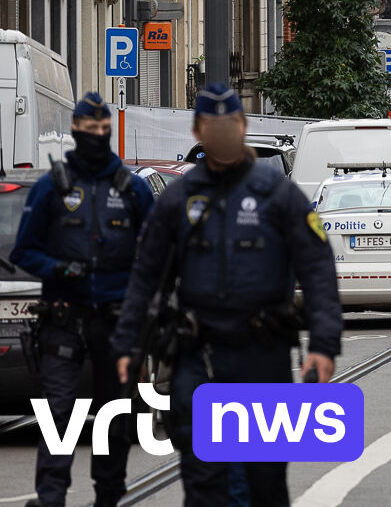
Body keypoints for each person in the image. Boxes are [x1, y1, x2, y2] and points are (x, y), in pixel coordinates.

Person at [110, 84, 343, 507]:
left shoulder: (277, 195)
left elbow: (318, 269)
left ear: (242, 126)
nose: (221, 132)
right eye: (212, 125)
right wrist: (127, 344)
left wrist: (324, 345)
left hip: (262, 356)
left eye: (229, 124)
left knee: (263, 484)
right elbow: (145, 276)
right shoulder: (178, 199)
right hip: (198, 357)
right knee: (205, 484)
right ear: (199, 129)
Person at [10, 92, 156, 507]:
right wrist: (58, 268)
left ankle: (108, 495)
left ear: (109, 131)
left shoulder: (132, 189)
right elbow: (22, 252)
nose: (95, 135)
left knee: (114, 415)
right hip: (64, 319)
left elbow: (159, 251)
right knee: (58, 414)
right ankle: (50, 497)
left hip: (117, 323)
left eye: (102, 129)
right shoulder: (51, 187)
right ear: (74, 130)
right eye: (88, 129)